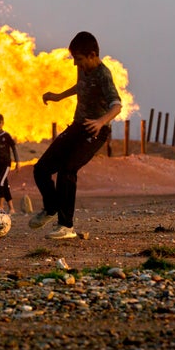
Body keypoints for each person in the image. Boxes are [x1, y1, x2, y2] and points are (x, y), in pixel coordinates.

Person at [29, 32, 122, 239]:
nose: (75, 64)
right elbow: (80, 87)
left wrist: (100, 122)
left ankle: (66, 226)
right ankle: (51, 208)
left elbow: (117, 105)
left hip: (94, 131)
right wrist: (59, 96)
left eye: (78, 59)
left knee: (67, 170)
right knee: (41, 169)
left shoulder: (103, 75)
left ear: (92, 55)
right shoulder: (83, 69)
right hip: (76, 127)